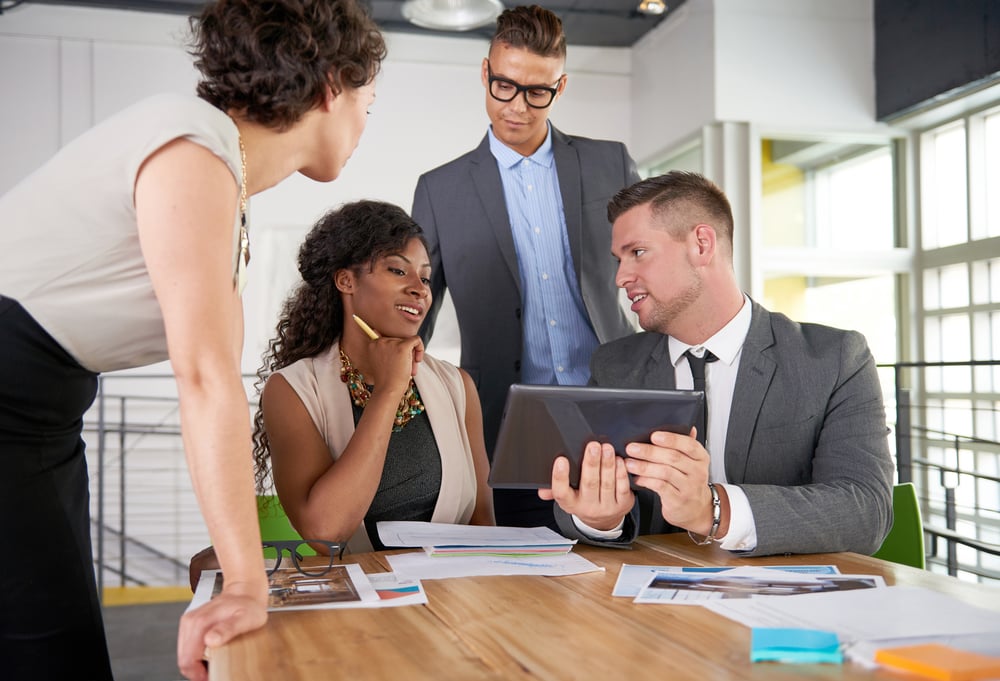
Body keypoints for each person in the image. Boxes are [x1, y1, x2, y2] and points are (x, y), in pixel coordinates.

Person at [0, 2, 385, 679]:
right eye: (367, 105)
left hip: (39, 414)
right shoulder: (191, 146)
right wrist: (244, 582)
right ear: (331, 85)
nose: (363, 127)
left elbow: (218, 376)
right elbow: (205, 378)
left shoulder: (218, 176)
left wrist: (242, 565)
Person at [542, 171, 895, 556]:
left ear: (702, 245)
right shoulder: (614, 365)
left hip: (789, 598)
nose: (621, 277)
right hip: (652, 604)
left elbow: (865, 510)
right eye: (619, 259)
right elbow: (581, 499)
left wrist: (714, 510)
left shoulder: (835, 359)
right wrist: (599, 518)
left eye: (637, 252)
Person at [411, 5, 639, 529]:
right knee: (513, 579)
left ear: (561, 87)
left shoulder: (610, 163)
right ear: (485, 73)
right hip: (502, 419)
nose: (517, 106)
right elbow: (416, 312)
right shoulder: (440, 190)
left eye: (538, 92)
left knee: (612, 567)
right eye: (504, 87)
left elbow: (648, 265)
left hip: (608, 410)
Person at [251, 200, 494, 552]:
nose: (420, 288)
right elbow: (326, 532)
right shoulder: (292, 391)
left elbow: (483, 525)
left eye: (425, 277)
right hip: (362, 599)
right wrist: (389, 388)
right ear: (346, 280)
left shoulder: (457, 386)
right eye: (398, 271)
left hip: (452, 596)